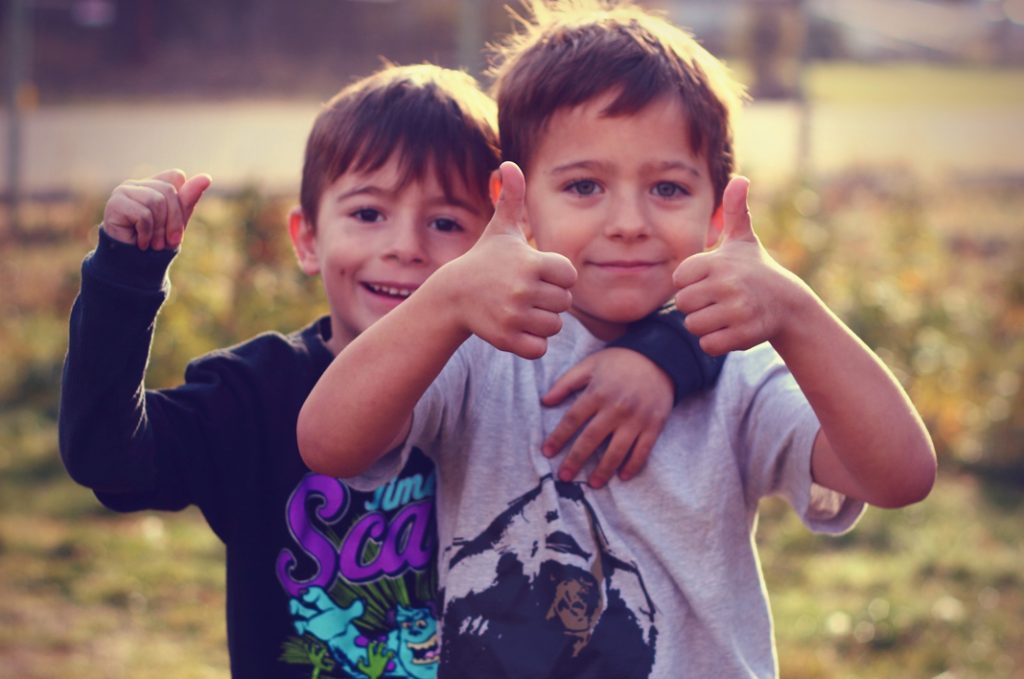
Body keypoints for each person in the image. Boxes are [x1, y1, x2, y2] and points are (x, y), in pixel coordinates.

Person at [296, 3, 938, 677]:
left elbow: (899, 475)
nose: (628, 221)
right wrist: (449, 295)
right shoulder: (480, 348)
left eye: (667, 187)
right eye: (584, 186)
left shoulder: (739, 365)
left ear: (716, 212)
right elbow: (330, 442)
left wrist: (798, 314)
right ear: (515, 201)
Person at [58, 62, 722, 678]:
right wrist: (125, 279)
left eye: (445, 221)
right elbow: (109, 461)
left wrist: (657, 358)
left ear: (508, 237)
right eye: (368, 213)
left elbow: (690, 313)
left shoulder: (509, 371)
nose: (404, 246)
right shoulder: (253, 390)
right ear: (307, 238)